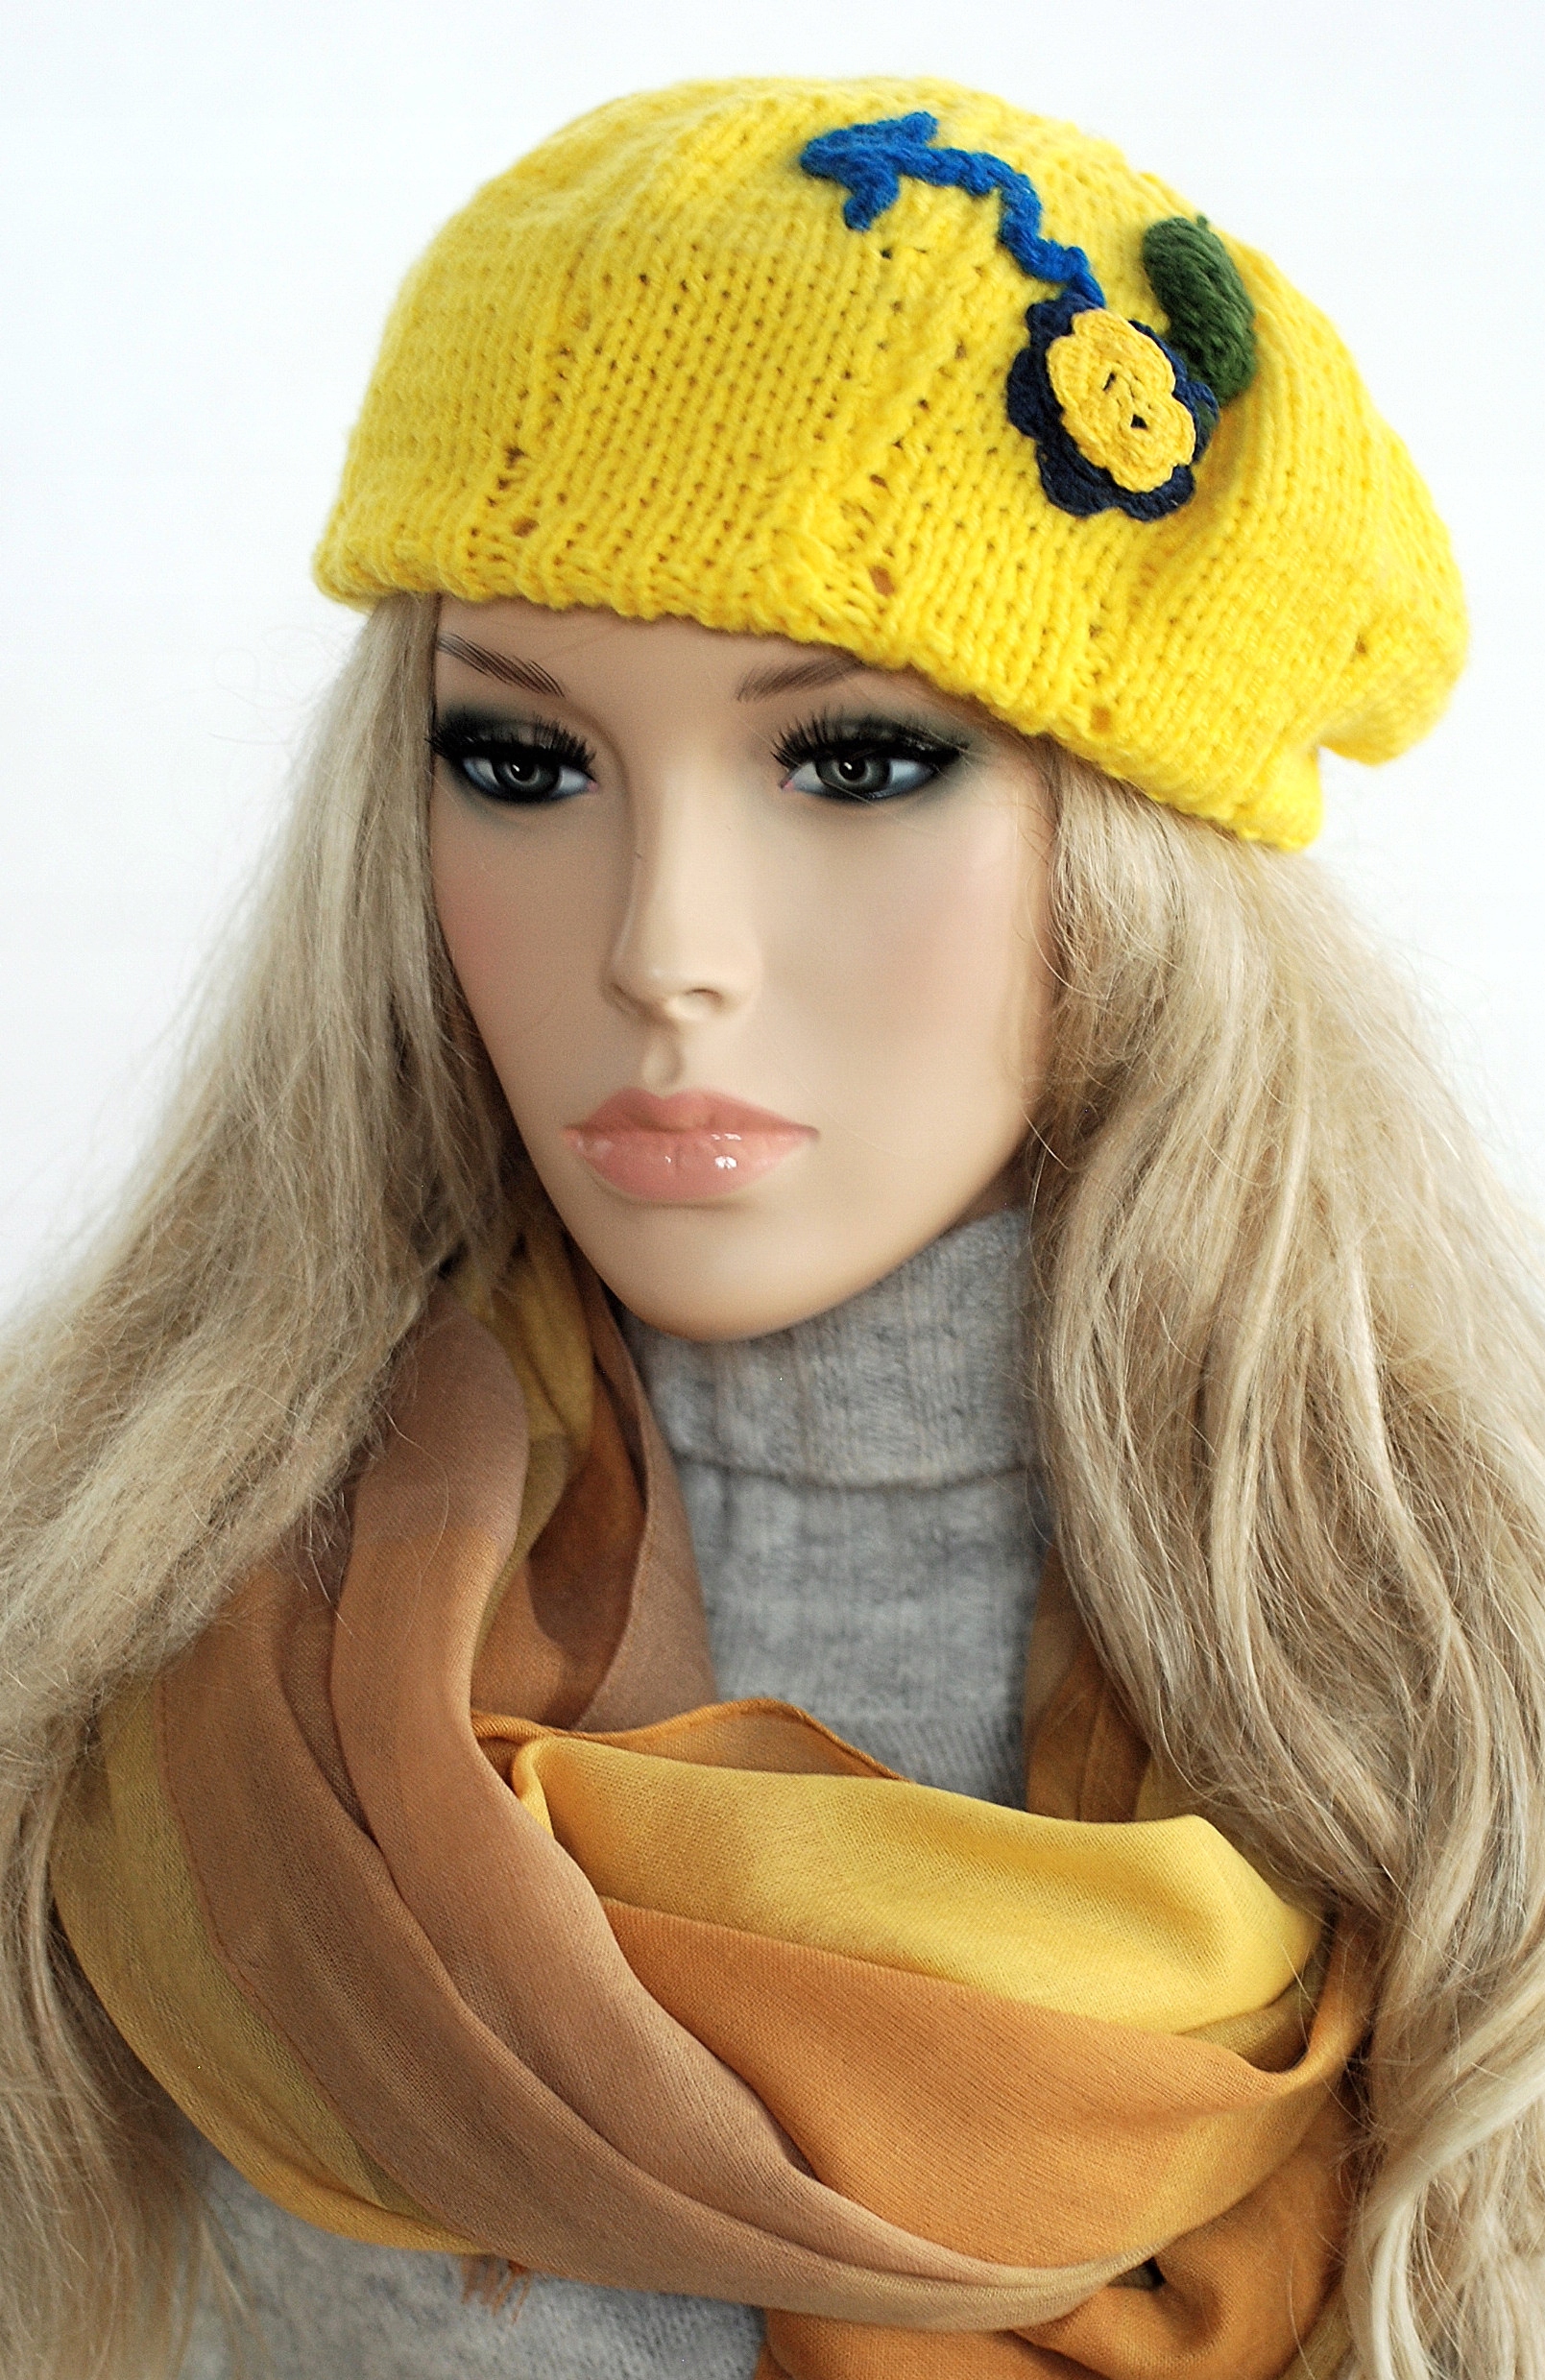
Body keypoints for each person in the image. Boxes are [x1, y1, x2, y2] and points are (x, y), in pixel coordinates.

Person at [2, 70, 1540, 2380]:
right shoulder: (108, 1615)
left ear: (1131, 848)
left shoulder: (1458, 1675)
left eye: (854, 759)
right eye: (521, 762)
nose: (664, 948)